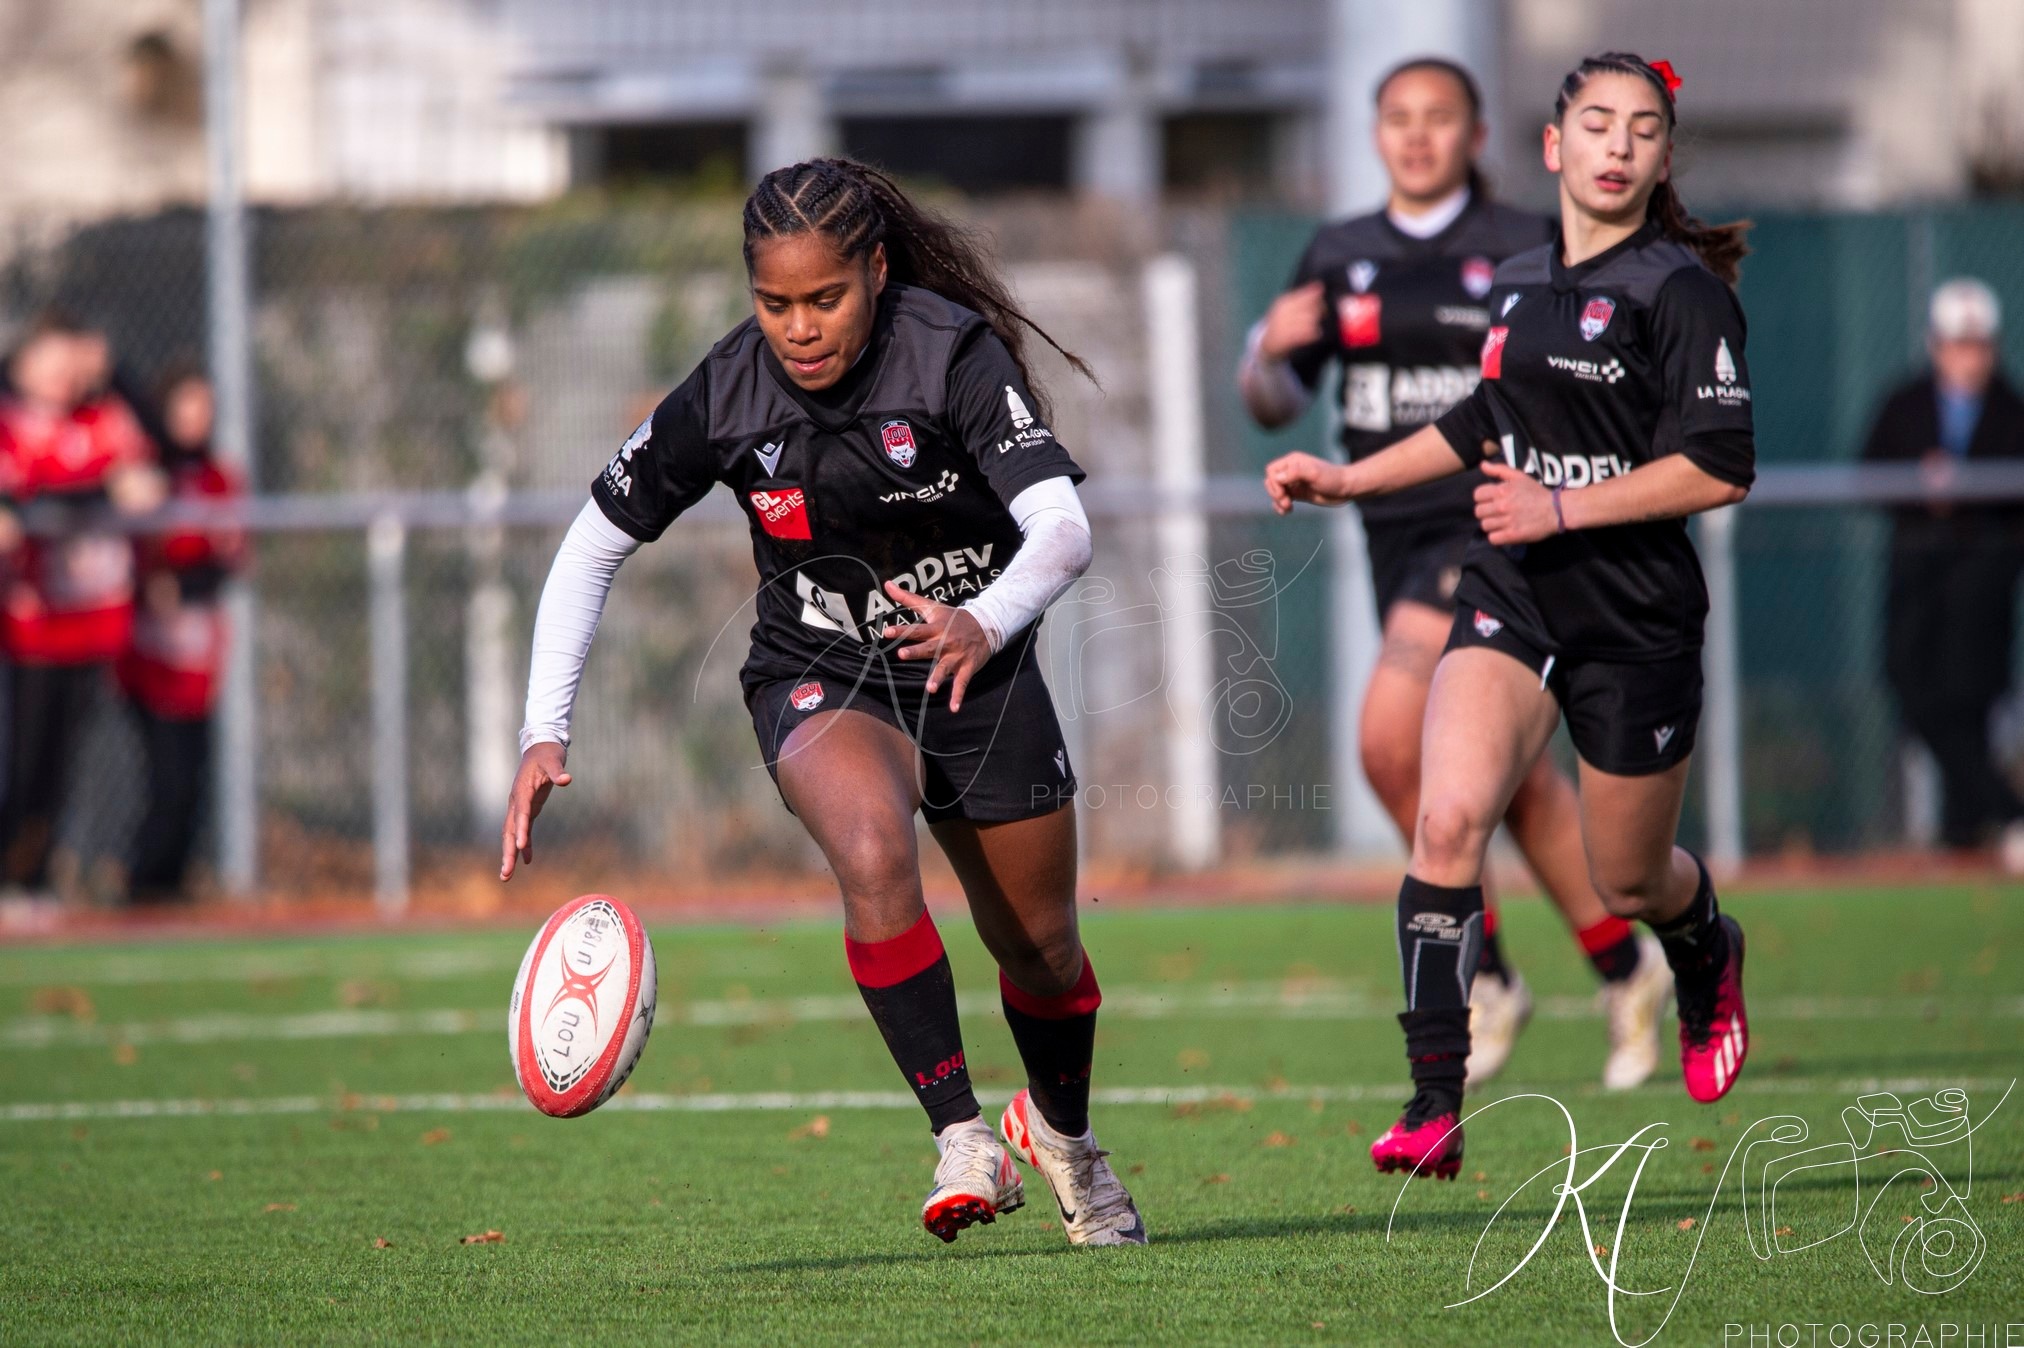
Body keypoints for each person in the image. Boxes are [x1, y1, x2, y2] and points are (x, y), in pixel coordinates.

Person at [500, 157, 1145, 1246]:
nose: (798, 327)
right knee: (869, 849)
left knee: (1040, 948)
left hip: (974, 667)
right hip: (821, 668)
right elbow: (590, 543)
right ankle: (961, 1135)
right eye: (774, 302)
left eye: (825, 299)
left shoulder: (949, 352)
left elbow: (1063, 529)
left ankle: (1064, 1137)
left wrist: (981, 620)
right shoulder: (728, 389)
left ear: (876, 272)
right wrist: (541, 728)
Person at [1265, 52, 1757, 1180]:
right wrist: (1349, 479)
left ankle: (1698, 943)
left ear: (1661, 158)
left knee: (1630, 875)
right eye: (1595, 124)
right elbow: (1482, 416)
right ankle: (1433, 1098)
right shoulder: (1521, 280)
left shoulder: (1681, 293)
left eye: (1640, 129)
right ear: (1552, 146)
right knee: (1445, 821)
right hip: (1512, 593)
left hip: (1631, 618)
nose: (1615, 144)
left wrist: (1561, 503)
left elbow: (1719, 465)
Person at [0, 311, 165, 895]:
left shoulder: (102, 417)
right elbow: (21, 500)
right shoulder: (12, 419)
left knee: (66, 765)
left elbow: (154, 459)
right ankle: (15, 872)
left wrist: (115, 371)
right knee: (23, 759)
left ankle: (38, 875)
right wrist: (95, 491)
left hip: (93, 623)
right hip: (32, 621)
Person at [1862, 279, 2024, 863]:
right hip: (1916, 584)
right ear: (1936, 345)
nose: (1967, 356)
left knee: (1971, 701)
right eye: (1957, 343)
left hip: (1982, 588)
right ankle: (2007, 813)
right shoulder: (1904, 405)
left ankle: (1967, 839)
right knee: (1914, 689)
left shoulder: (2011, 410)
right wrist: (1920, 487)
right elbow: (1870, 470)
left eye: (1977, 344)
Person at [117, 364, 243, 902]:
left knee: (192, 779)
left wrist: (186, 586)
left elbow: (230, 555)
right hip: (150, 653)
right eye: (186, 406)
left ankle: (169, 887)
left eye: (205, 407)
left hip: (197, 653)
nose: (197, 418)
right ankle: (145, 886)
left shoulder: (217, 476)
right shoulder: (146, 473)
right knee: (164, 777)